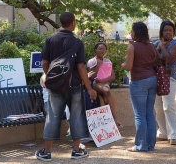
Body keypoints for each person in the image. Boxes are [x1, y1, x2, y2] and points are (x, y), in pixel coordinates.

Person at [35, 11, 97, 162]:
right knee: (76, 115)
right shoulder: (77, 43)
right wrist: (89, 88)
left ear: (61, 23)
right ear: (73, 23)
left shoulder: (50, 40)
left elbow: (44, 63)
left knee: (53, 116)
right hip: (74, 84)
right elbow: (81, 67)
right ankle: (76, 151)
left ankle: (47, 152)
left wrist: (50, 77)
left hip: (56, 86)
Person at [121, 22, 157, 152]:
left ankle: (140, 145)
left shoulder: (132, 47)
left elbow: (129, 66)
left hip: (139, 81)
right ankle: (150, 145)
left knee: (139, 115)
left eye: (132, 30)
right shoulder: (152, 46)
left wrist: (122, 65)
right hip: (152, 79)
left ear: (135, 32)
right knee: (149, 113)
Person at [154, 20, 176, 145]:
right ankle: (163, 133)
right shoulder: (156, 43)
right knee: (158, 107)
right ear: (161, 31)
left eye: (170, 30)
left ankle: (173, 135)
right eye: (166, 30)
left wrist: (162, 47)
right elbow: (151, 60)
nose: (168, 33)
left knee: (169, 106)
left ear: (173, 32)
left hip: (169, 78)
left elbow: (169, 58)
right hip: (157, 77)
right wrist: (159, 47)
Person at [87, 42, 122, 127]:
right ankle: (114, 117)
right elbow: (90, 77)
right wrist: (98, 65)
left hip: (103, 83)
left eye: (104, 49)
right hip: (95, 83)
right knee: (106, 91)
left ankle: (112, 117)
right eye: (100, 49)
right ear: (95, 50)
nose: (102, 51)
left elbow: (113, 76)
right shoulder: (92, 61)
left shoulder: (108, 61)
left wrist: (103, 81)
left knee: (106, 93)